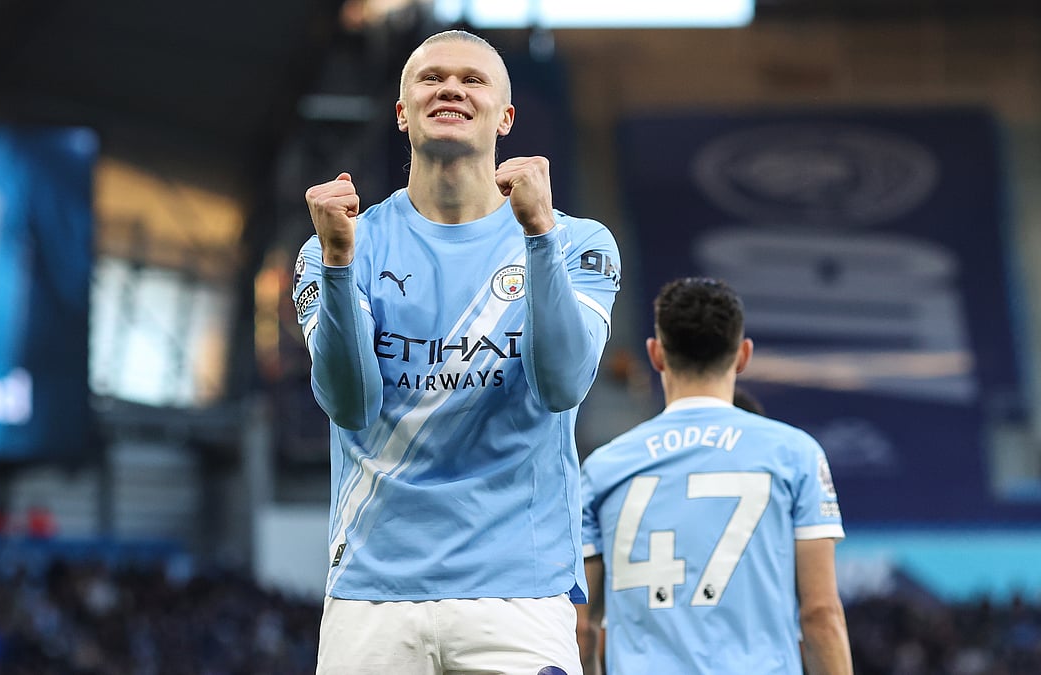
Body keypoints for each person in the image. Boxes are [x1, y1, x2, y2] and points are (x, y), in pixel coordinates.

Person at [295, 29, 620, 675]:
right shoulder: (339, 244)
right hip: (372, 596)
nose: (450, 87)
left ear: (505, 117)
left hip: (520, 593)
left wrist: (538, 236)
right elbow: (350, 403)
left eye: (472, 80)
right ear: (401, 111)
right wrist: (336, 262)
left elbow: (563, 384)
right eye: (431, 77)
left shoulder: (577, 241)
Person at [576, 277, 851, 674]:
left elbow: (582, 625)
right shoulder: (795, 455)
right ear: (743, 356)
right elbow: (821, 614)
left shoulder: (603, 467)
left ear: (656, 354)